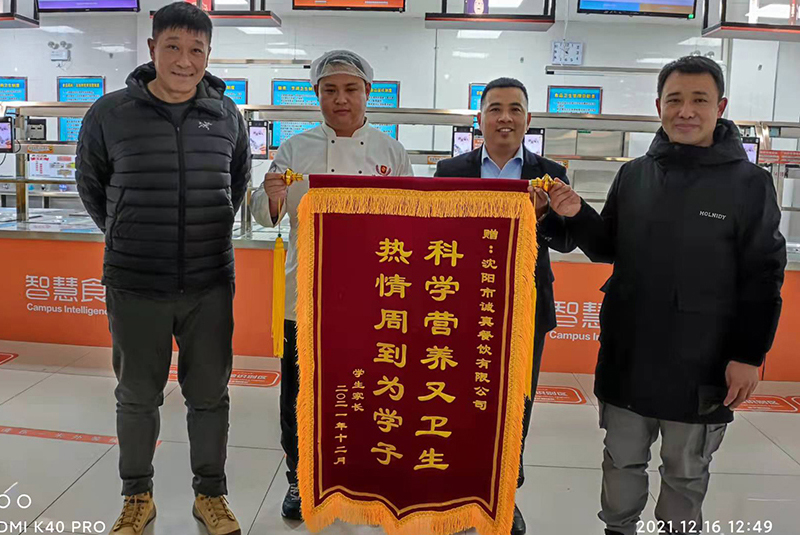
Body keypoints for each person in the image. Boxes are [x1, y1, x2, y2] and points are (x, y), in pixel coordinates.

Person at [547, 56, 786, 535]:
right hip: (629, 354)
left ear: (720, 107)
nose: (686, 111)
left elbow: (763, 275)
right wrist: (577, 214)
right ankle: (618, 528)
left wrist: (748, 355)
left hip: (704, 362)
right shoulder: (635, 174)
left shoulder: (749, 184)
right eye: (674, 100)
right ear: (659, 106)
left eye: (699, 100)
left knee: (685, 471)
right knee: (621, 461)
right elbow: (608, 246)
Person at [75, 3, 250, 534]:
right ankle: (137, 497)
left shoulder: (227, 115)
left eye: (197, 49)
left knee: (210, 396)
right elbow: (92, 186)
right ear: (152, 49)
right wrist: (130, 233)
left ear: (208, 55)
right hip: (135, 282)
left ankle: (211, 495)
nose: (184, 60)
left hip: (209, 283)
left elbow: (235, 184)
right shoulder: (110, 114)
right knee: (136, 396)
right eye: (173, 46)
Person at [250, 49, 413, 521]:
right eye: (330, 90)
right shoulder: (294, 148)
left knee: (371, 388)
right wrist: (272, 196)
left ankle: (364, 475)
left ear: (368, 93)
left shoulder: (391, 151)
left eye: (350, 89)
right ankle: (300, 479)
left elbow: (411, 220)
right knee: (301, 392)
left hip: (375, 296)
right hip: (306, 292)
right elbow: (263, 213)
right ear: (317, 95)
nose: (341, 99)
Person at [435, 77, 577, 535]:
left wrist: (543, 217)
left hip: (525, 308)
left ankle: (503, 497)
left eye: (515, 109)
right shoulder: (451, 170)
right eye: (495, 108)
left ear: (528, 119)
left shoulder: (550, 172)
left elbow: (567, 240)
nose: (505, 118)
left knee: (517, 403)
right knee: (459, 399)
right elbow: (435, 235)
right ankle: (458, 494)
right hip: (459, 307)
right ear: (479, 118)